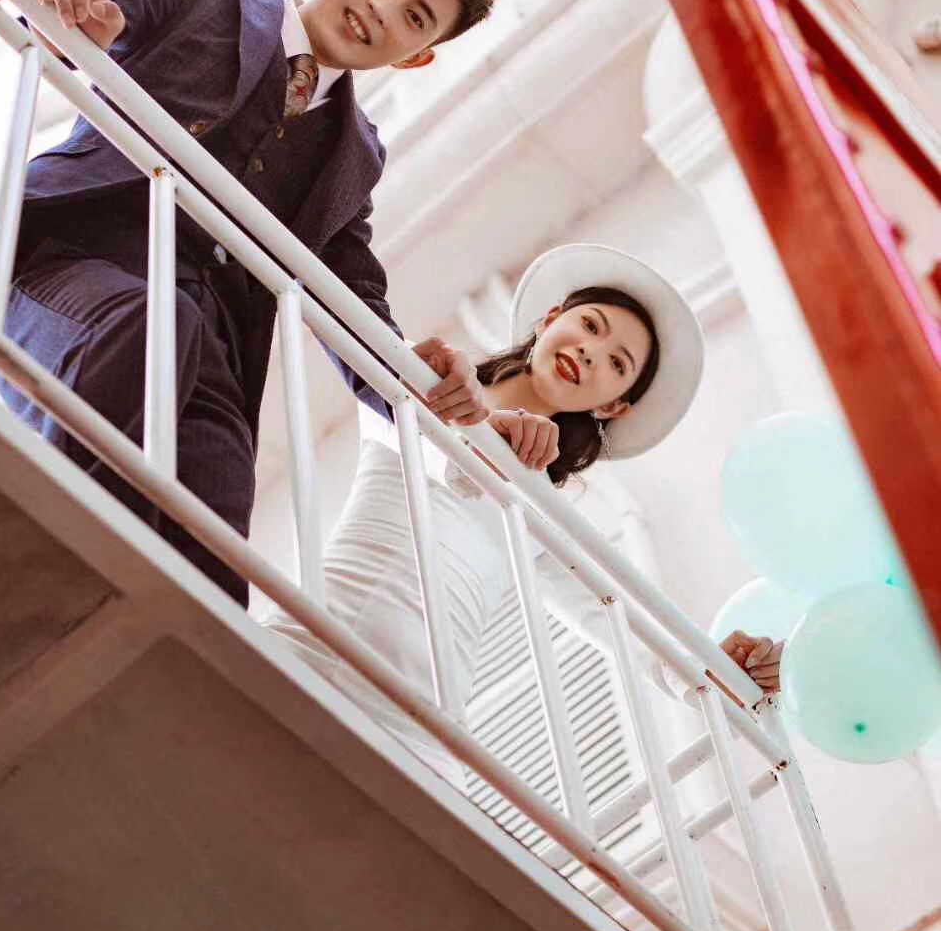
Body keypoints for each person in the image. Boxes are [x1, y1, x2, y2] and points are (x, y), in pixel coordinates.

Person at [0, 0, 506, 604]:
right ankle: (42, 572)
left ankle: (160, 644)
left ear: (417, 56)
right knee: (156, 324)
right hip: (67, 271)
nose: (383, 7)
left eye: (414, 17)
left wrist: (443, 391)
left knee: (219, 483)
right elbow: (107, 1)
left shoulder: (355, 157)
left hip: (209, 350)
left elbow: (354, 300)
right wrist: (85, 7)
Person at [264, 244, 783, 786]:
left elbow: (617, 625)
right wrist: (484, 432)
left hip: (421, 735)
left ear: (612, 407)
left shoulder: (544, 515)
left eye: (616, 364)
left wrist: (716, 676)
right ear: (550, 319)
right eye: (590, 326)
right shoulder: (423, 376)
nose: (590, 353)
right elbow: (418, 428)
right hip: (309, 650)